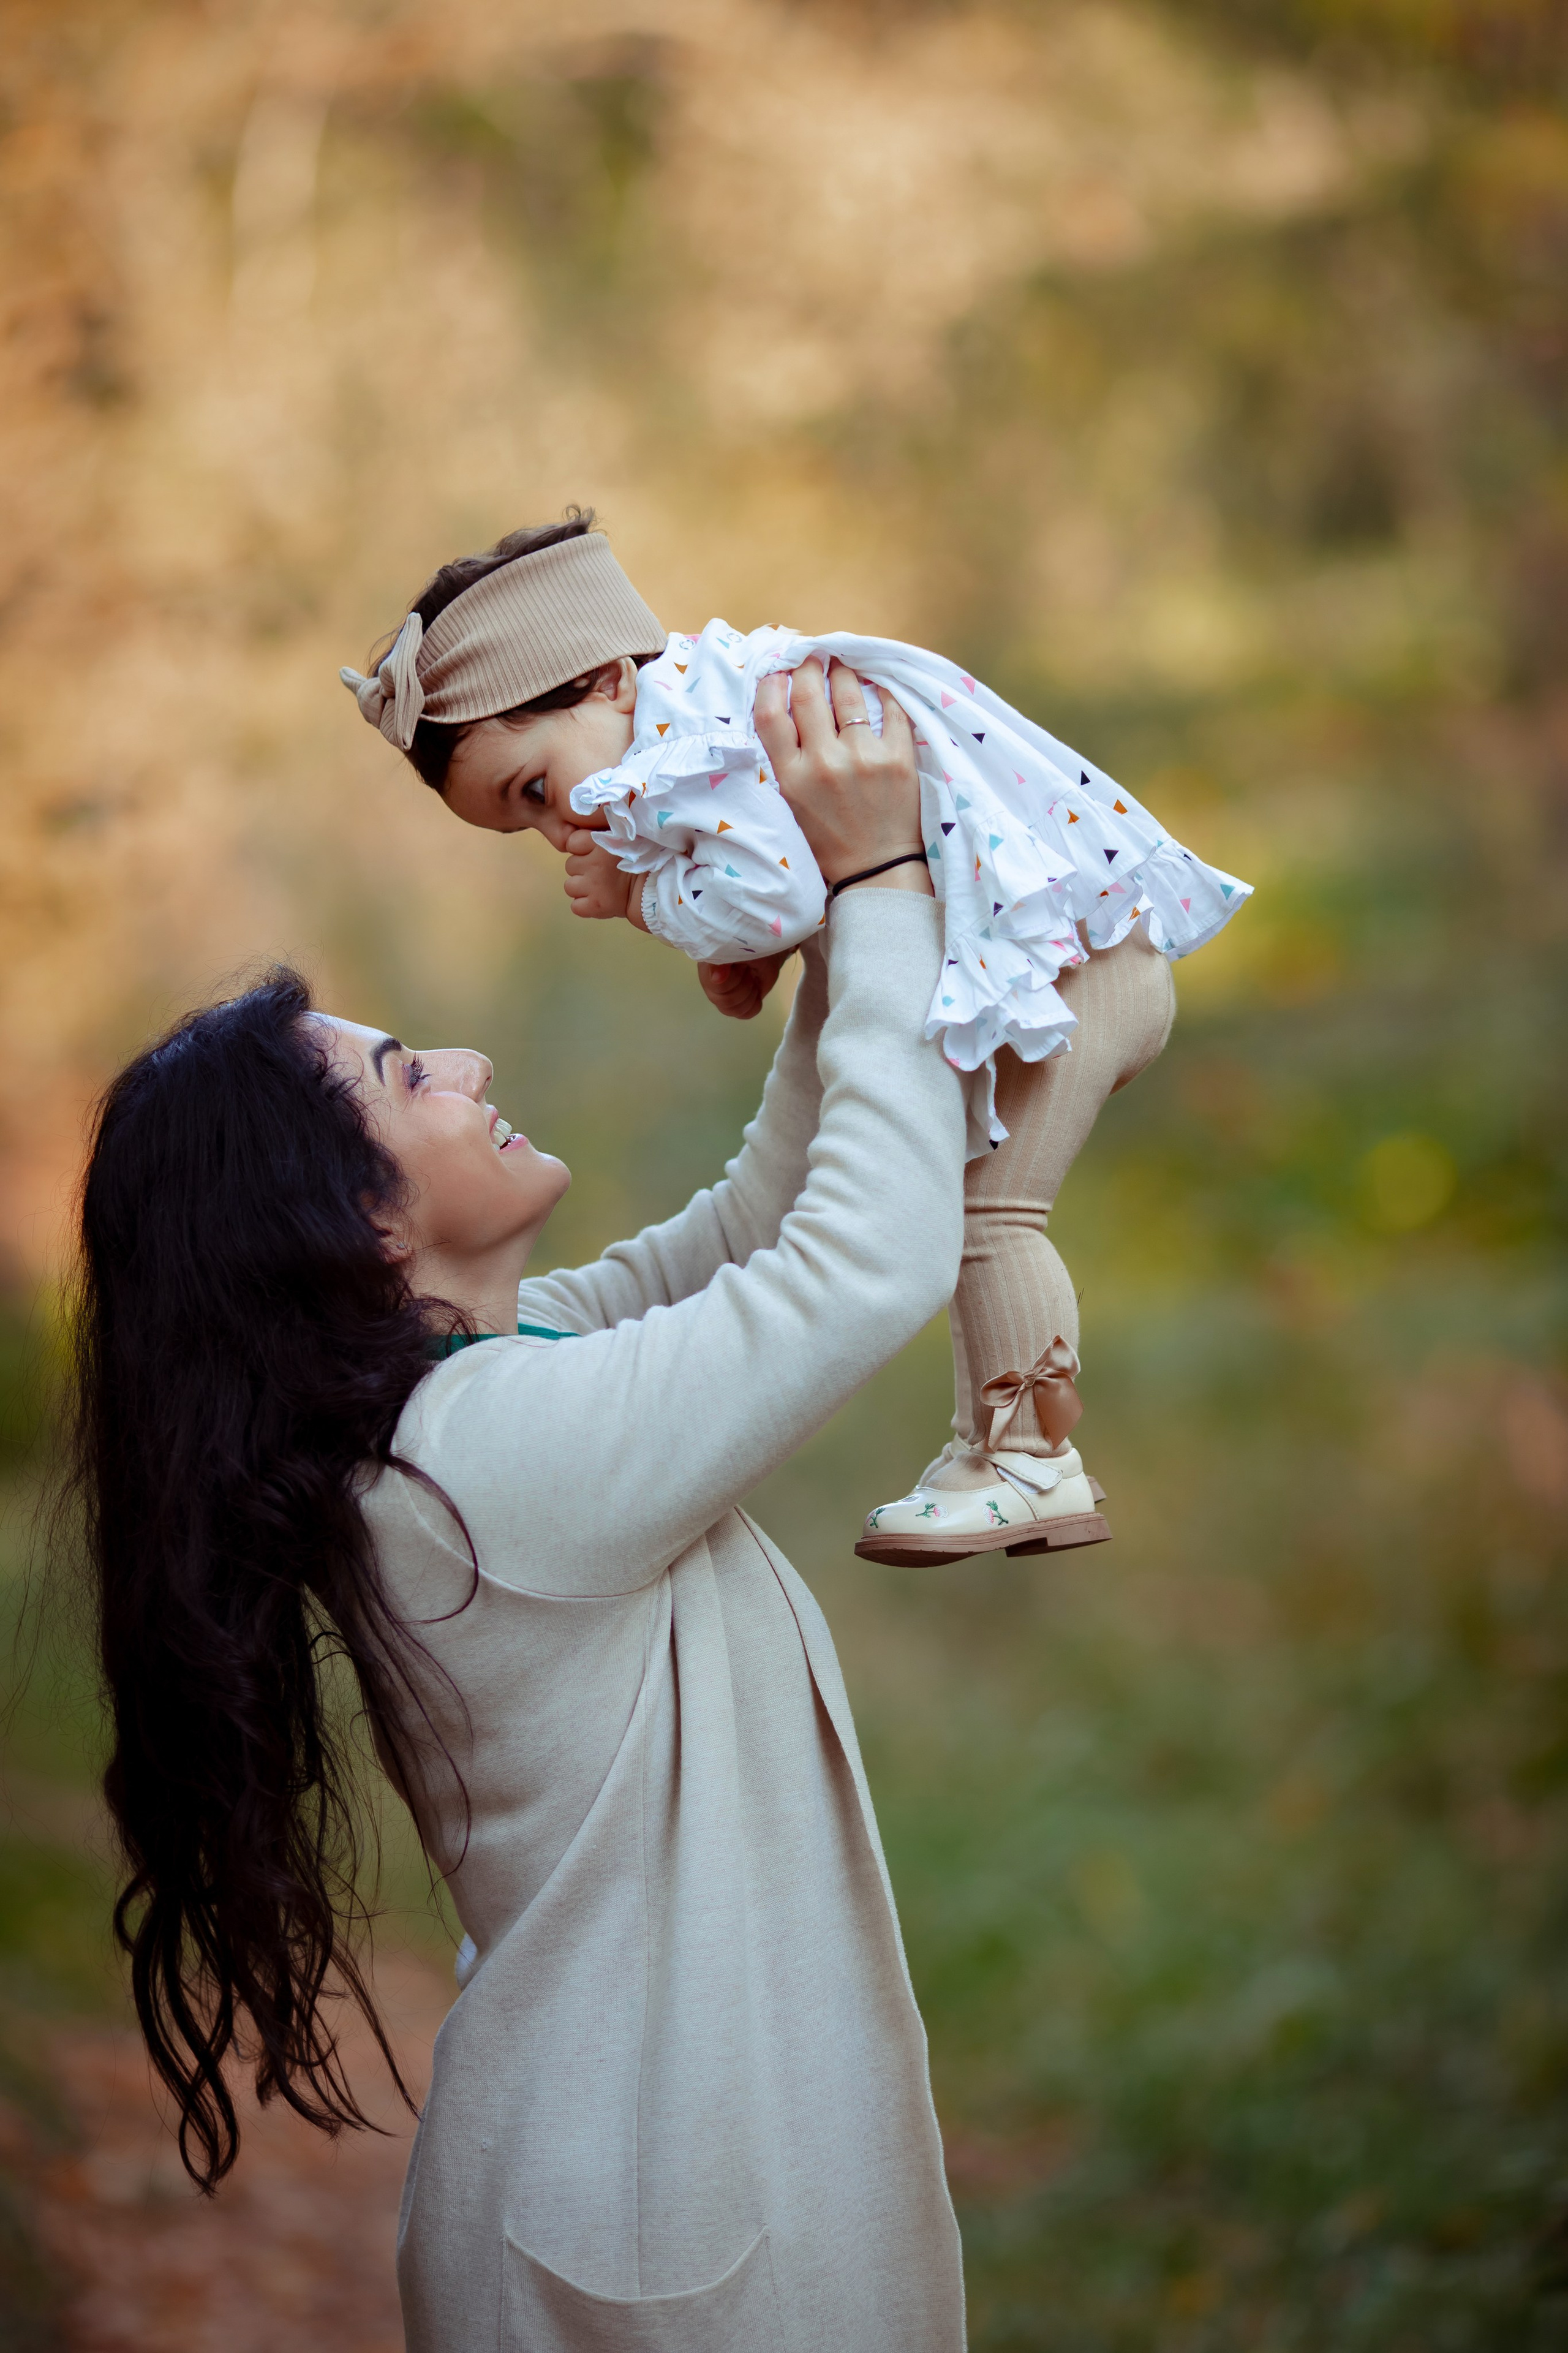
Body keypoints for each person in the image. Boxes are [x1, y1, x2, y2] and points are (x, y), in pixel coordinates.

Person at [72, 661, 968, 2350]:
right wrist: (880, 876)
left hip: (639, 2183)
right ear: (344, 1222)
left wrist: (836, 930)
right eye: (408, 1074)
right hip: (661, 2221)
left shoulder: (479, 1391)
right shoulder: (484, 1462)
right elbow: (862, 1265)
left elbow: (758, 1224)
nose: (466, 1058)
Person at [342, 512, 1251, 1567]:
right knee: (977, 1201)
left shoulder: (704, 747)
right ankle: (1004, 1454)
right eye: (527, 826)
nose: (560, 831)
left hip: (1076, 963)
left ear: (602, 679)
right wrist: (751, 959)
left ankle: (1026, 1462)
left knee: (990, 1212)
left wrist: (647, 900)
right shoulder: (714, 709)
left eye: (537, 791)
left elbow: (779, 887)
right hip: (1056, 954)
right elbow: (811, 876)